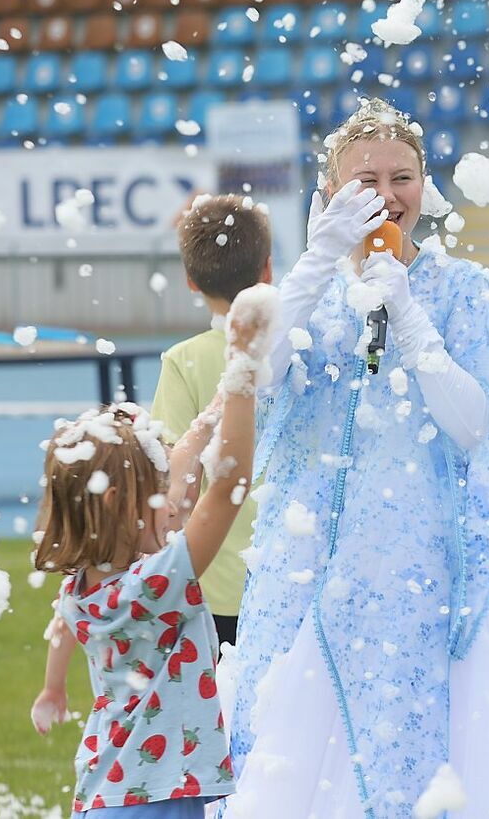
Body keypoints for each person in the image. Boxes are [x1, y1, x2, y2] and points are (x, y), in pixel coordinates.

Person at [222, 98, 489, 817]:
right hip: (320, 568)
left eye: (401, 177)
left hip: (430, 563)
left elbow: (477, 426)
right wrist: (316, 261)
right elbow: (259, 374)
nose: (385, 195)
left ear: (425, 185)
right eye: (364, 180)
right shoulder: (312, 292)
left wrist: (409, 318)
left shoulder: (459, 288)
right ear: (329, 193)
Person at [27, 286, 274, 816]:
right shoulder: (154, 584)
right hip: (156, 799)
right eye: (157, 491)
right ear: (117, 502)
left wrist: (207, 417)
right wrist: (241, 371)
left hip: (108, 791)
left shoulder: (82, 586)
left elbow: (179, 471)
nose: (172, 498)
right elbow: (228, 489)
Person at [150, 193, 274, 650]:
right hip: (294, 576)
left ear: (190, 282)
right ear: (267, 270)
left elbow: (175, 480)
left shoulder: (183, 361)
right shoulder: (299, 348)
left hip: (216, 586)